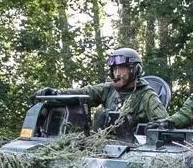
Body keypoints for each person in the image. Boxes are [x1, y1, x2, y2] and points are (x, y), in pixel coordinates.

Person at [38, 47, 166, 132]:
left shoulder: (147, 95)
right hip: (101, 146)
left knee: (105, 114)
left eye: (122, 68)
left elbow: (164, 124)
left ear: (135, 70)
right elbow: (85, 93)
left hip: (132, 150)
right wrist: (57, 93)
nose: (117, 73)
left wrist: (145, 129)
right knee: (101, 113)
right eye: (114, 69)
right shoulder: (110, 89)